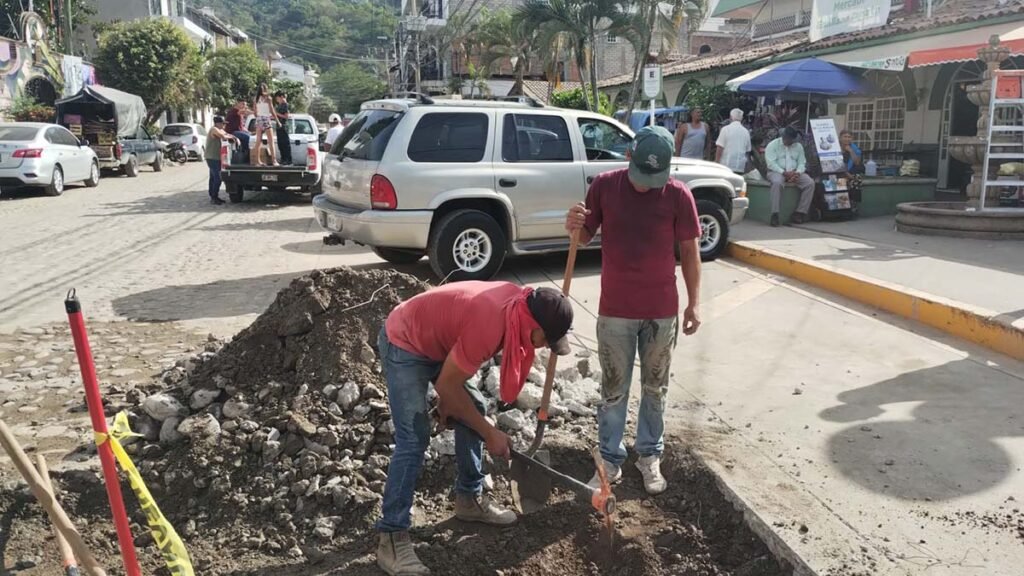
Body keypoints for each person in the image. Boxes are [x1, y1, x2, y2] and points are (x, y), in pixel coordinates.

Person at [375, 282, 574, 576]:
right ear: (533, 324)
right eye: (546, 338)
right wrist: (490, 433)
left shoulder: (518, 307)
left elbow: (452, 383)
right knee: (414, 439)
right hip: (406, 342)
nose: (545, 346)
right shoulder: (491, 321)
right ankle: (391, 537)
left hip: (439, 343)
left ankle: (468, 498)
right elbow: (447, 385)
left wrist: (453, 402)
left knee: (474, 410)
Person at [564, 126, 702, 496]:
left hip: (661, 312)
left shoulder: (678, 195)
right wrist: (573, 225)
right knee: (613, 390)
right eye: (642, 175)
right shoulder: (605, 187)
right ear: (629, 157)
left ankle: (649, 455)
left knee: (655, 388)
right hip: (615, 312)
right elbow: (584, 236)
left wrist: (694, 303)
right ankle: (609, 458)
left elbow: (689, 252)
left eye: (654, 178)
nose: (646, 185)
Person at [765, 126, 815, 227]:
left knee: (810, 183)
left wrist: (798, 172)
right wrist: (783, 172)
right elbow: (771, 163)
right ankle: (775, 214)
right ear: (783, 137)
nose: (790, 142)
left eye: (792, 140)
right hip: (777, 171)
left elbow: (802, 162)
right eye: (788, 139)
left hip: (794, 172)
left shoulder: (798, 146)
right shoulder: (773, 145)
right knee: (777, 183)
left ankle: (800, 213)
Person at [205, 116, 240, 205]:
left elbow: (227, 134)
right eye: (223, 123)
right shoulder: (214, 129)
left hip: (216, 157)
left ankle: (213, 195)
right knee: (218, 178)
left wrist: (234, 137)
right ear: (217, 123)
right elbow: (222, 136)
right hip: (212, 157)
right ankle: (214, 197)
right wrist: (230, 137)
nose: (224, 125)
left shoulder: (220, 130)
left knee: (213, 177)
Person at [715, 108, 751, 174]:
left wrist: (716, 163)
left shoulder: (725, 129)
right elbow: (747, 152)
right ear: (742, 118)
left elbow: (719, 148)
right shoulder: (746, 132)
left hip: (725, 166)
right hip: (740, 167)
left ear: (730, 117)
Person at [252, 83, 278, 166]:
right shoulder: (268, 98)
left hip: (259, 119)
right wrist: (277, 120)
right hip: (266, 119)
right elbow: (272, 110)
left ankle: (257, 161)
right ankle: (274, 161)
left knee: (258, 141)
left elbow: (255, 111)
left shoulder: (256, 99)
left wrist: (258, 116)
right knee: (271, 141)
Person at [225, 99, 250, 164]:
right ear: (238, 104)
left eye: (245, 104)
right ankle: (246, 153)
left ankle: (248, 152)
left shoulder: (240, 114)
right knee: (247, 137)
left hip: (238, 131)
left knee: (250, 136)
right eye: (243, 104)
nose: (245, 106)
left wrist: (250, 132)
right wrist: (255, 112)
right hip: (232, 132)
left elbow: (242, 127)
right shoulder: (234, 111)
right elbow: (244, 111)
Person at [273, 91, 292, 165]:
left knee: (285, 144)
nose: (277, 100)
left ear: (281, 97)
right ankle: (283, 158)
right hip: (278, 126)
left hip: (283, 126)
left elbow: (286, 116)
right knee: (280, 144)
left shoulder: (285, 105)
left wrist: (276, 113)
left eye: (277, 98)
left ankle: (288, 159)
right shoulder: (280, 105)